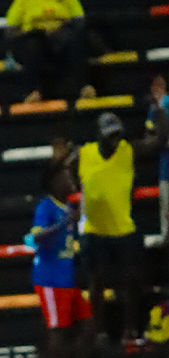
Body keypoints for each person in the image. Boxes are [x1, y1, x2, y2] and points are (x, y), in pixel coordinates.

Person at [28, 167, 93, 358]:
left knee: (88, 326)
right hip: (50, 280)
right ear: (53, 181)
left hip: (67, 279)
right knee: (56, 335)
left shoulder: (68, 207)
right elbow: (36, 237)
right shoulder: (46, 206)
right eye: (63, 176)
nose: (68, 179)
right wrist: (64, 222)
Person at [77, 112, 140, 343]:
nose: (114, 139)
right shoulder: (84, 153)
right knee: (96, 282)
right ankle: (98, 330)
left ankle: (129, 330)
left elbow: (160, 139)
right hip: (94, 229)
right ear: (99, 135)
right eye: (109, 135)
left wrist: (160, 107)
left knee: (129, 282)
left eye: (116, 134)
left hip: (122, 228)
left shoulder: (127, 150)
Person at [5, 0, 92, 103]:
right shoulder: (22, 1)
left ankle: (83, 87)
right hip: (36, 41)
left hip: (62, 40)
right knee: (32, 44)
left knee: (75, 39)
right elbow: (10, 29)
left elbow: (79, 21)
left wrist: (60, 33)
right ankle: (32, 92)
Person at [148, 75, 167, 240]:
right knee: (165, 205)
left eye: (160, 86)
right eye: (154, 86)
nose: (157, 89)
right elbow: (150, 132)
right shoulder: (153, 109)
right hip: (164, 167)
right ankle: (166, 235)